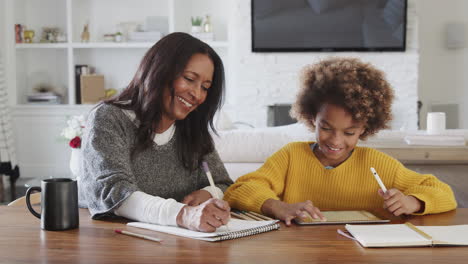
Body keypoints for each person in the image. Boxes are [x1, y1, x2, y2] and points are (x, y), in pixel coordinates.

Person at [224, 57, 457, 226]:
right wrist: (278, 206)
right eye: (326, 128)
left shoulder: (378, 164)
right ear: (312, 117)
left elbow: (443, 192)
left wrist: (413, 202)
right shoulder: (291, 156)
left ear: (365, 128)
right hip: (299, 251)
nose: (335, 141)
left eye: (349, 132)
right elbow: (239, 190)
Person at [79, 32, 233, 232]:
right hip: (114, 238)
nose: (196, 94)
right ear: (160, 70)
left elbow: (223, 183)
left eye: (205, 87)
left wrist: (208, 193)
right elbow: (114, 192)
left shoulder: (192, 128)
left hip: (178, 242)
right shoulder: (109, 118)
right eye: (189, 78)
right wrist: (184, 214)